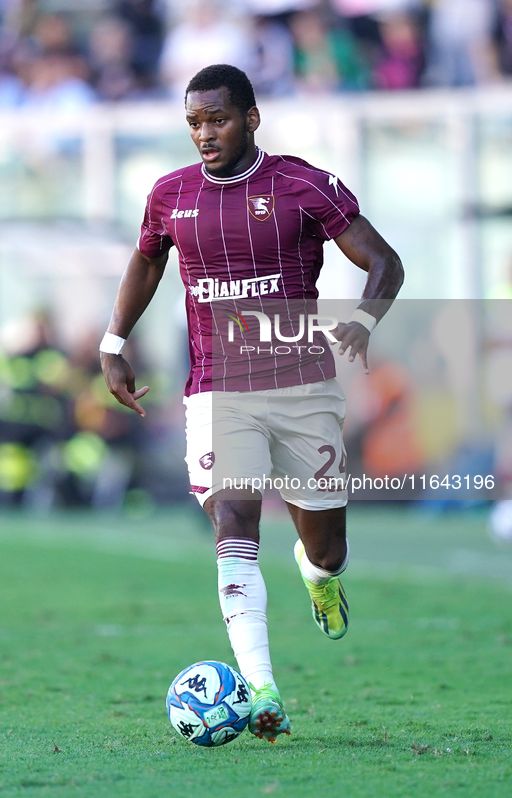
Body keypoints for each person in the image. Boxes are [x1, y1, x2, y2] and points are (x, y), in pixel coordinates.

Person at [100, 63, 403, 742]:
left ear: (251, 118)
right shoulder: (170, 195)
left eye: (217, 119)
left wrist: (363, 319)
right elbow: (148, 260)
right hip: (217, 389)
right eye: (193, 122)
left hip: (302, 388)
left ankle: (317, 576)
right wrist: (113, 341)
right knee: (233, 525)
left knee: (324, 547)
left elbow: (384, 262)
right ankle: (262, 689)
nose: (204, 135)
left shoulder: (302, 186)